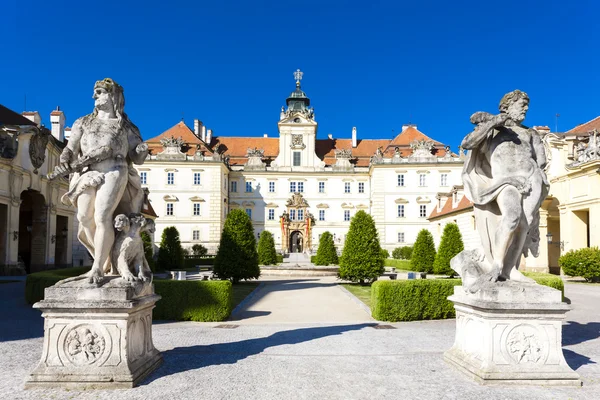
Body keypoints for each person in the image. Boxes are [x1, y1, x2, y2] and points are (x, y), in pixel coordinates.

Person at [51, 78, 148, 284]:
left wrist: (141, 150)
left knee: (103, 216)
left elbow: (137, 157)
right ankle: (103, 260)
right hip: (87, 172)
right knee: (85, 218)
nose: (94, 96)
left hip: (115, 169)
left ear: (113, 96)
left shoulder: (125, 127)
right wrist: (65, 160)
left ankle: (97, 269)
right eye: (95, 92)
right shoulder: (83, 122)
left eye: (100, 92)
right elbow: (70, 148)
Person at [461, 90, 549, 282]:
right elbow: (467, 143)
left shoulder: (530, 133)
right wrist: (492, 122)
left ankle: (510, 270)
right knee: (512, 217)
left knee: (524, 225)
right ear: (507, 106)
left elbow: (541, 160)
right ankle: (497, 265)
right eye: (521, 104)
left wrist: (539, 176)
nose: (525, 108)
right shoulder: (493, 130)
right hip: (505, 182)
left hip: (531, 179)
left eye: (527, 105)